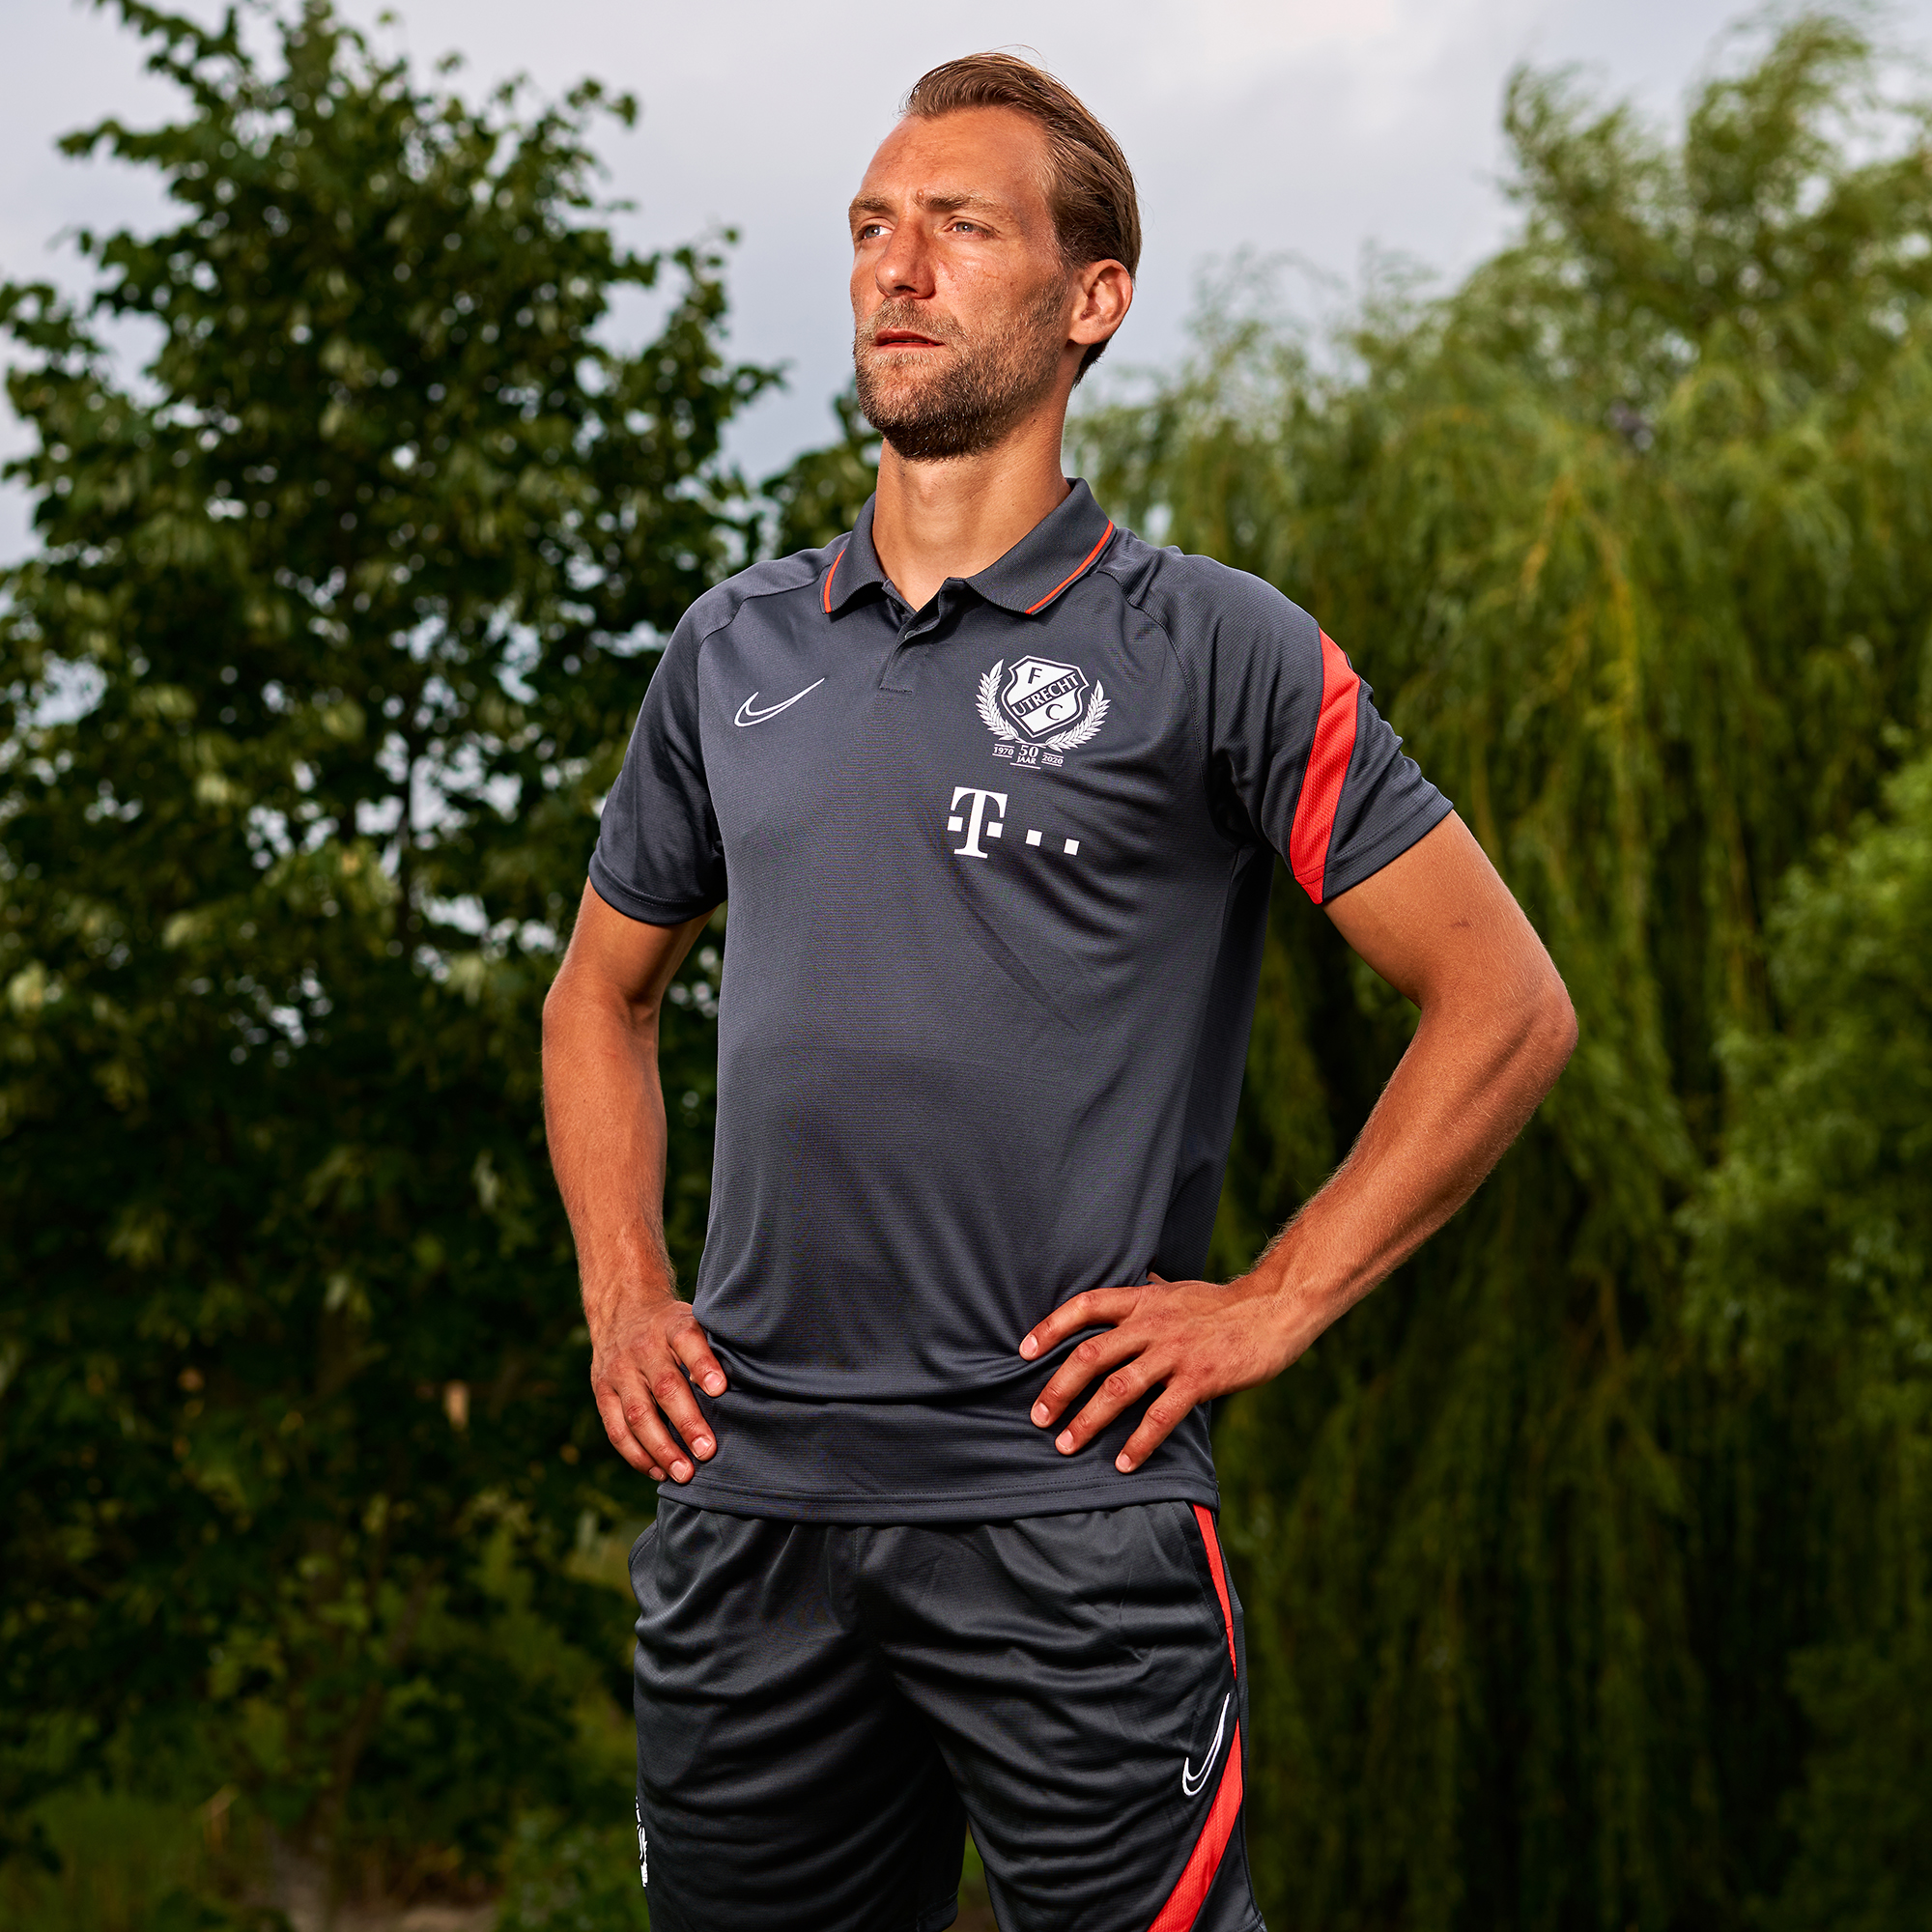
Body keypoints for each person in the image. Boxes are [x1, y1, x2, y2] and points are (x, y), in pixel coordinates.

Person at [541, 50, 1576, 1932]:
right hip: (748, 1511)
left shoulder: (1215, 650)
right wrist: (623, 1291)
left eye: (960, 226)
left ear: (1092, 298)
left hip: (1066, 1519)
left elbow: (1503, 1000)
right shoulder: (730, 652)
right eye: (873, 225)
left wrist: (1275, 1299)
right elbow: (596, 999)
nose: (898, 265)